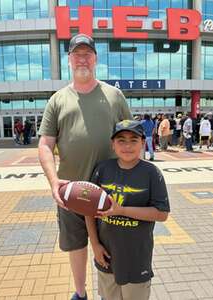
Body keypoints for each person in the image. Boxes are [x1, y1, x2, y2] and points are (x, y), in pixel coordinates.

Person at [38, 34, 132, 300]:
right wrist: (54, 182)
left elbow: (131, 137)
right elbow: (45, 144)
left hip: (110, 190)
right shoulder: (57, 100)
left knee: (110, 243)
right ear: (69, 60)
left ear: (95, 59)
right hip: (70, 190)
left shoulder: (114, 95)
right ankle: (80, 293)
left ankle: (110, 293)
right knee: (75, 245)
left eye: (87, 54)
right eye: (76, 54)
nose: (82, 59)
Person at [86, 119, 170, 300]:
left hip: (137, 258)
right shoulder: (102, 169)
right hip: (106, 255)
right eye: (121, 140)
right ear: (113, 144)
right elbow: (89, 210)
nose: (127, 145)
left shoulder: (151, 173)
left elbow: (161, 214)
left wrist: (122, 211)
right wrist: (95, 244)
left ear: (143, 142)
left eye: (133, 140)